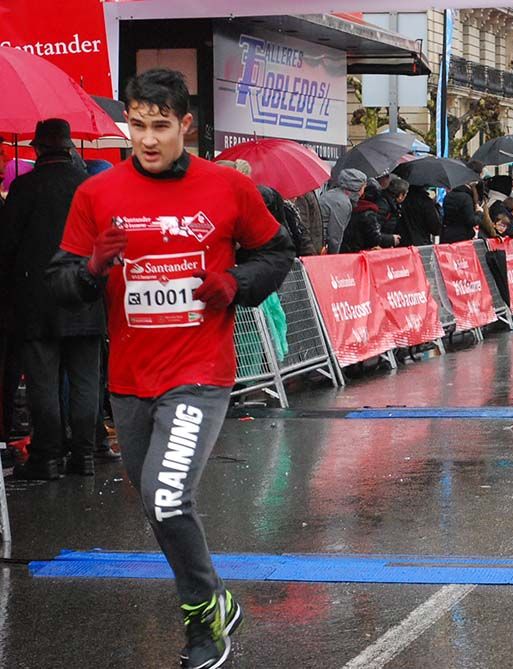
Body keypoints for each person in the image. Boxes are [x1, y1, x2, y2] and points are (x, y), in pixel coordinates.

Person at [46, 69, 294, 668]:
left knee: (167, 496)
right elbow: (59, 282)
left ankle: (202, 620)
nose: (148, 139)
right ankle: (214, 598)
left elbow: (278, 250)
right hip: (130, 381)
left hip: (200, 372)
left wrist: (235, 282)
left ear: (186, 124)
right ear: (126, 123)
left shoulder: (227, 188)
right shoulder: (96, 194)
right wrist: (87, 273)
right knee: (156, 502)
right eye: (137, 125)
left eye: (161, 126)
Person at [0, 119, 105, 480]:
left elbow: (6, 248)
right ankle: (85, 455)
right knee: (86, 380)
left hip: (37, 301)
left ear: (38, 149)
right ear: (70, 145)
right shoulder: (91, 187)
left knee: (43, 382)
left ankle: (47, 457)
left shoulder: (24, 188)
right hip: (85, 296)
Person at [319, 168, 366, 254]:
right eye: (363, 188)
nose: (363, 193)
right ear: (356, 187)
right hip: (321, 248)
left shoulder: (333, 194)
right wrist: (334, 257)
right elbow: (335, 236)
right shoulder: (342, 203)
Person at [341, 185, 401, 252]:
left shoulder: (351, 206)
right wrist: (392, 239)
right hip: (357, 250)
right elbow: (374, 238)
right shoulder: (369, 214)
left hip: (346, 246)